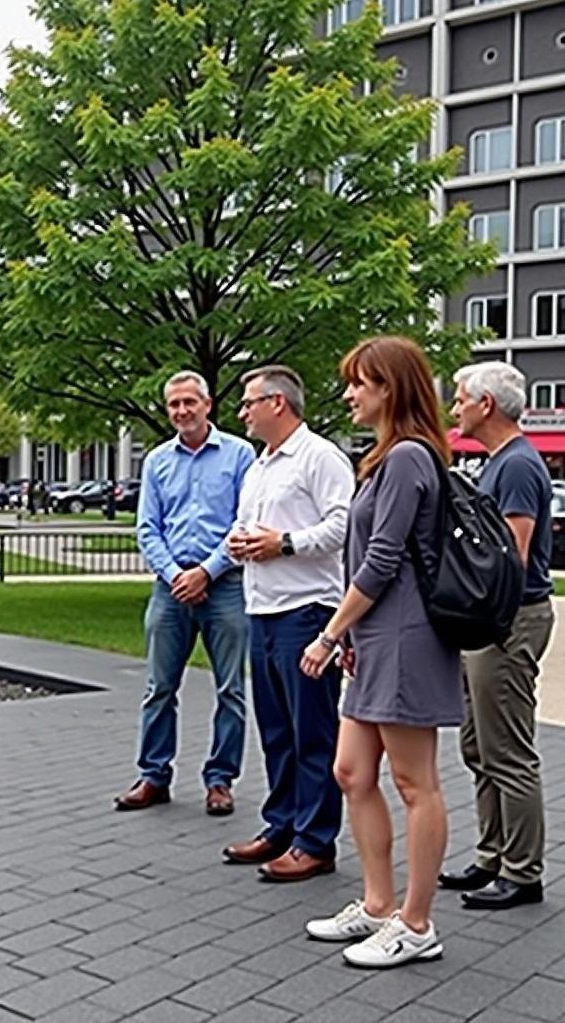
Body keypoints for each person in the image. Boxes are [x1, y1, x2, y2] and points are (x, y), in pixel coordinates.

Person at [300, 336, 462, 969]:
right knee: (351, 772)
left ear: (390, 388)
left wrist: (331, 632)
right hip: (379, 638)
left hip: (405, 637)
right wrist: (353, 636)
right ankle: (376, 904)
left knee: (414, 782)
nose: (348, 394)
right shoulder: (384, 458)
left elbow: (382, 561)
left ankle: (416, 923)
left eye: (359, 384)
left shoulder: (406, 460)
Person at [223, 366, 353, 882]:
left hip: (306, 610)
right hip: (262, 610)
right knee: (276, 730)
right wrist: (239, 541)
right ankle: (281, 826)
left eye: (249, 402)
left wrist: (287, 543)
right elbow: (244, 522)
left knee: (313, 732)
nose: (243, 412)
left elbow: (343, 524)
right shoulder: (260, 466)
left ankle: (316, 841)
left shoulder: (320, 457)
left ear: (278, 403)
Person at [439, 362, 555, 909]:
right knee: (478, 745)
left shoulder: (515, 468)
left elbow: (511, 557)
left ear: (486, 404)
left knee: (507, 749)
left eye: (461, 398)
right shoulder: (496, 464)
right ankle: (492, 855)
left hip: (508, 622)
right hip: (488, 624)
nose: (454, 406)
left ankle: (522, 871)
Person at [114, 370, 254, 814]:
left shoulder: (240, 454)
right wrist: (177, 574)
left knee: (230, 689)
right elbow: (147, 529)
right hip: (169, 589)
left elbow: (243, 524)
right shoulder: (156, 461)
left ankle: (220, 779)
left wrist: (207, 573)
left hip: (226, 586)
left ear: (208, 404)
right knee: (159, 687)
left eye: (189, 402)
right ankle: (154, 775)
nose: (181, 412)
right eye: (174, 405)